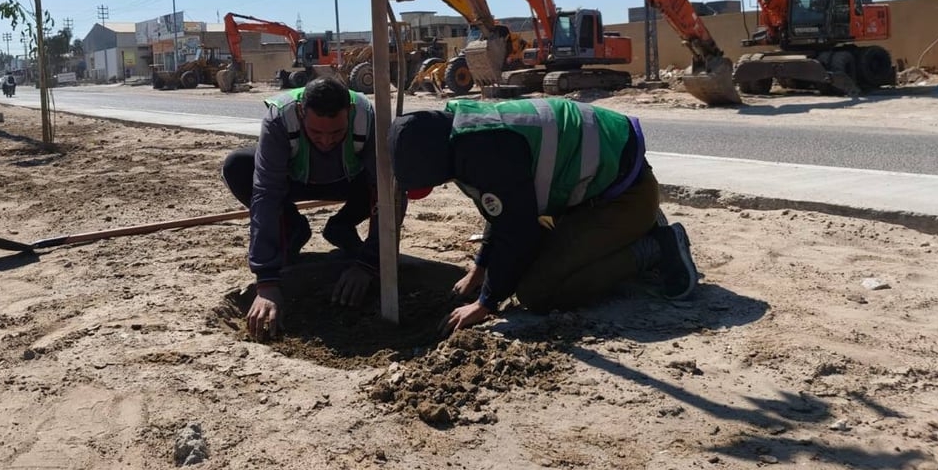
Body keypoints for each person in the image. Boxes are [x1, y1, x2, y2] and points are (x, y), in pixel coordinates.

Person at [387, 98, 698, 334]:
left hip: (627, 196)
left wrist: (486, 303)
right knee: (526, 262)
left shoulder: (484, 150)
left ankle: (657, 246)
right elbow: (501, 206)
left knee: (538, 291)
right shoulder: (459, 127)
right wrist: (480, 267)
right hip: (600, 191)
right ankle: (633, 229)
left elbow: (517, 232)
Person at [222, 76, 382, 341]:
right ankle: (294, 230)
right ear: (300, 113)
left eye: (336, 133)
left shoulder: (365, 116)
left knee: (392, 179)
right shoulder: (280, 119)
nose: (327, 141)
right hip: (295, 183)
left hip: (348, 182)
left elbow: (388, 193)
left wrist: (369, 263)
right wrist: (267, 280)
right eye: (316, 132)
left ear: (349, 114)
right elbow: (266, 194)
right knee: (237, 165)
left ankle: (341, 226)